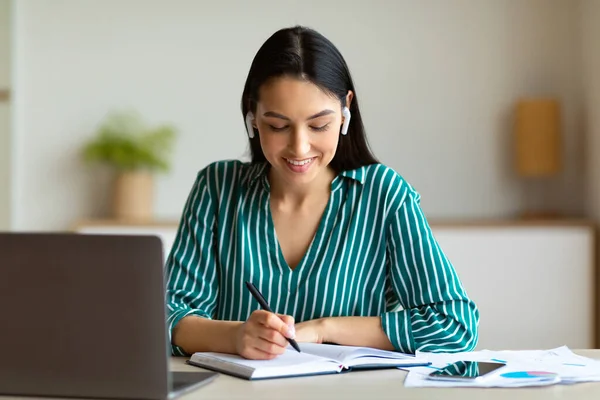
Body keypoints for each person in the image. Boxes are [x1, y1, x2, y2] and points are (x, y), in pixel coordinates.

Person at [165, 26, 479, 360]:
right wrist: (236, 336)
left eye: (319, 125)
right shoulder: (217, 188)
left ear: (346, 111)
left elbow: (454, 325)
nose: (299, 147)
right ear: (252, 116)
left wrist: (324, 329)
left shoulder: (384, 195)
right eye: (277, 126)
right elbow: (167, 315)